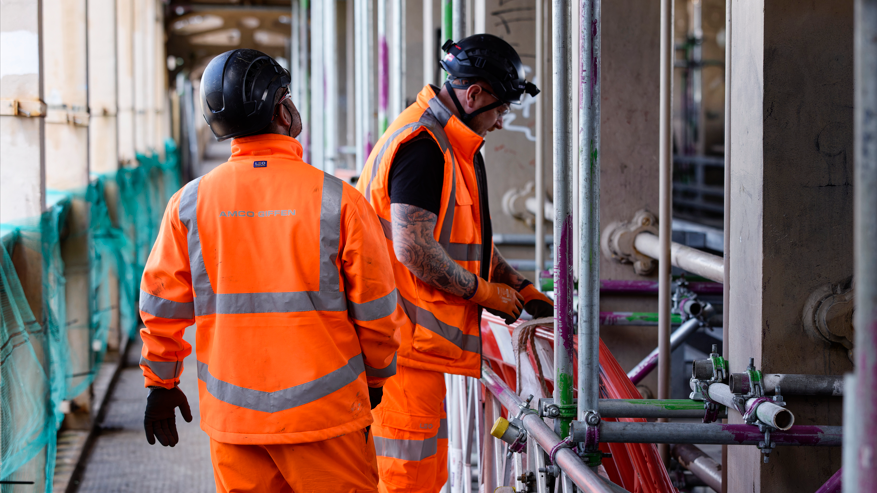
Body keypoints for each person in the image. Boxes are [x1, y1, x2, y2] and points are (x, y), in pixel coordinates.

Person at [138, 49, 403, 493]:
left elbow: (160, 303)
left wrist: (160, 384)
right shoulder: (339, 201)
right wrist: (375, 377)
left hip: (234, 423)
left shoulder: (188, 204)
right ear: (282, 109)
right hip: (326, 419)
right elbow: (377, 310)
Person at [356, 34, 555, 492]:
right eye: (500, 108)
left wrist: (519, 286)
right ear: (475, 94)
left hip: (413, 348)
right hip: (399, 350)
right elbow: (414, 249)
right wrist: (486, 294)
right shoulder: (425, 147)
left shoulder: (448, 143)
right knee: (406, 479)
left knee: (423, 475)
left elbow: (467, 240)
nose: (502, 121)